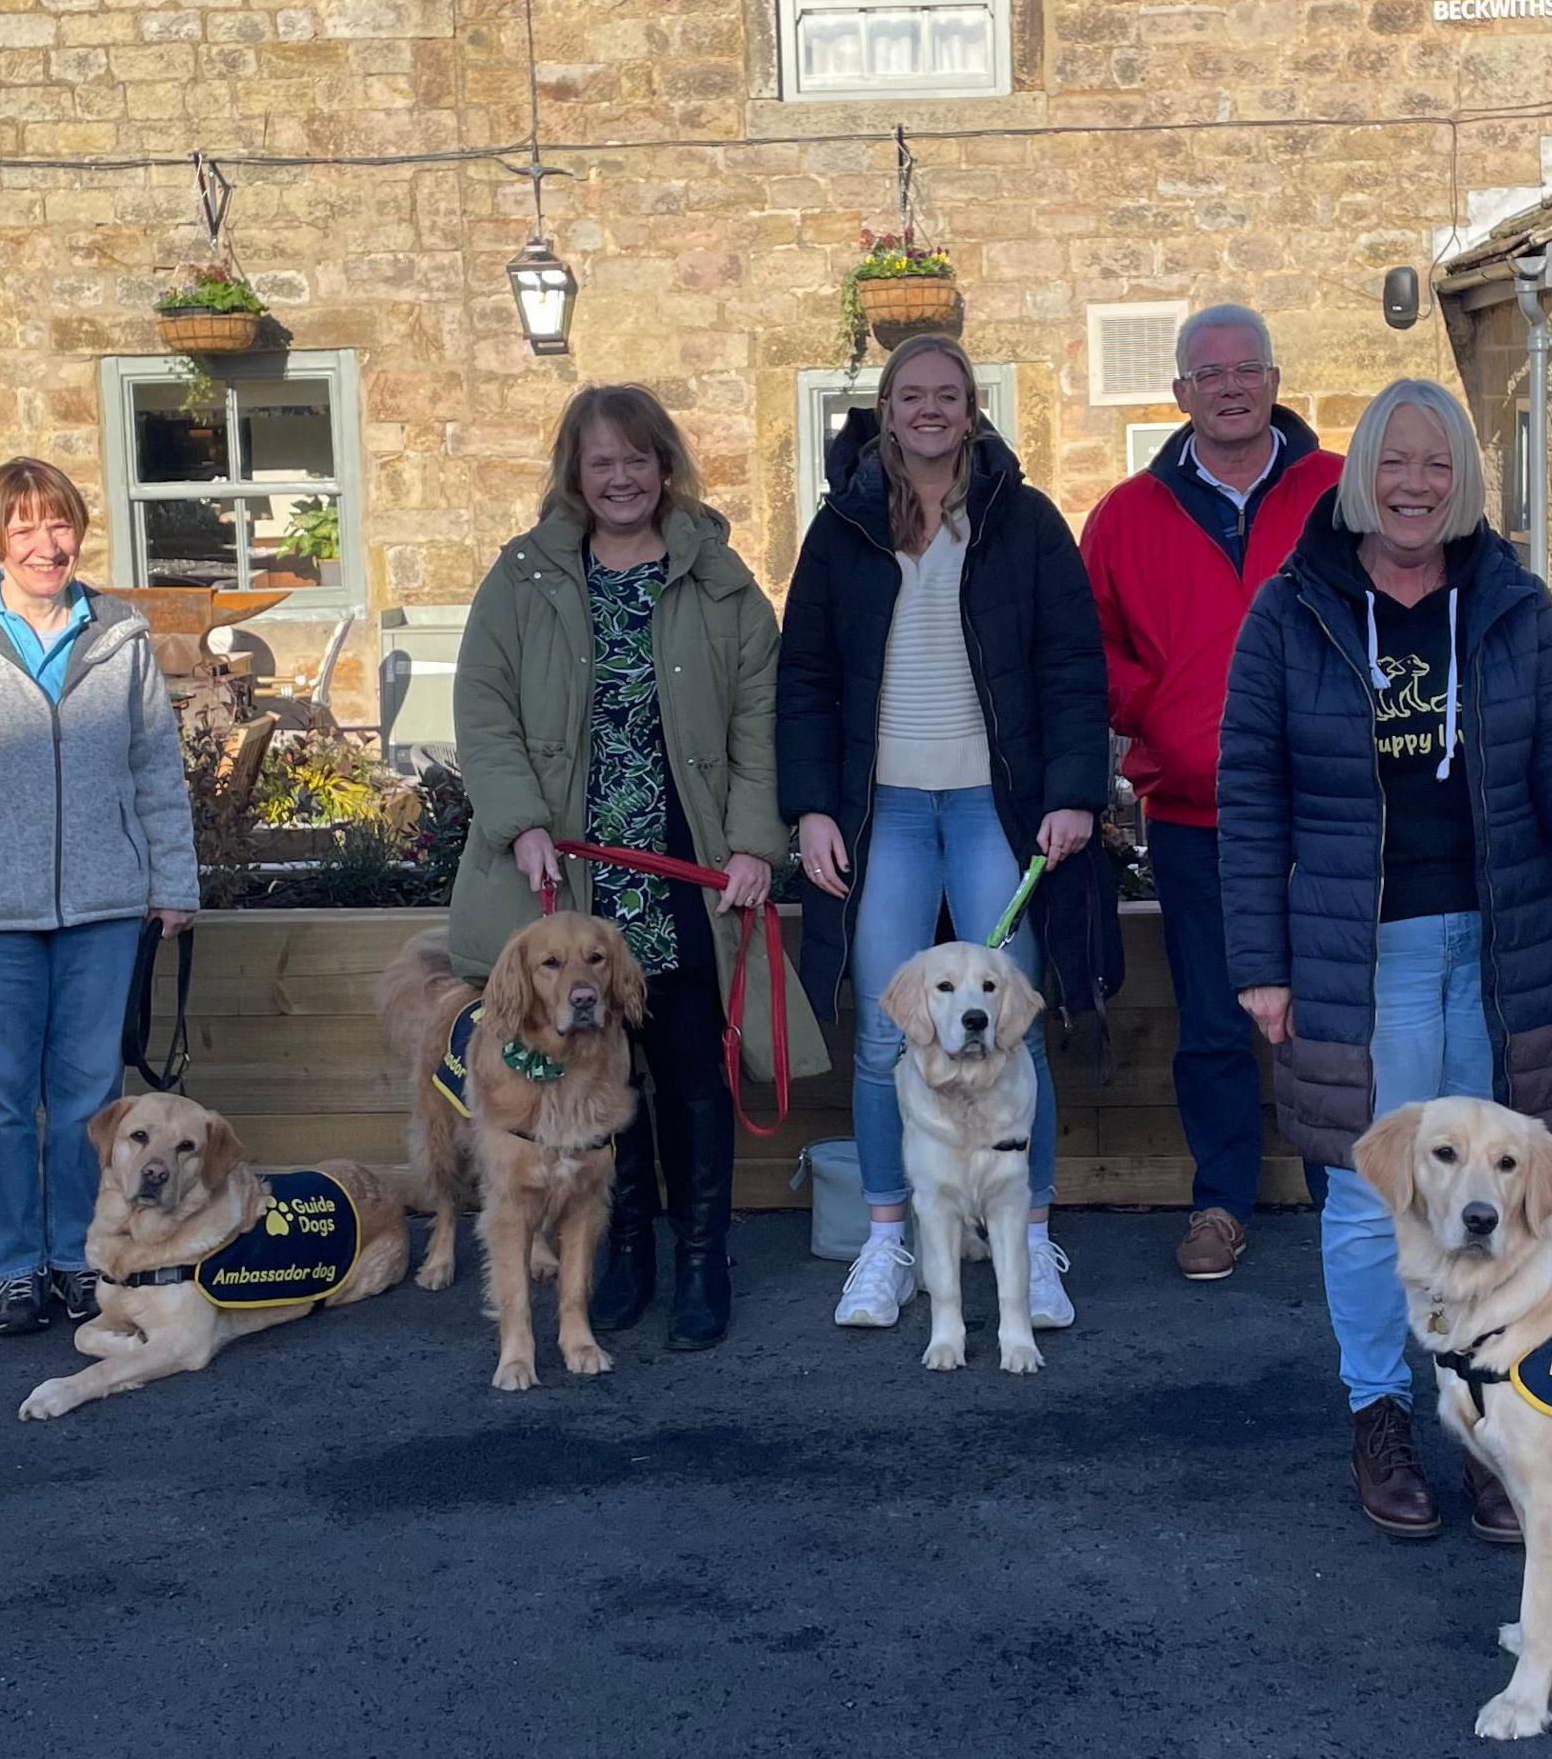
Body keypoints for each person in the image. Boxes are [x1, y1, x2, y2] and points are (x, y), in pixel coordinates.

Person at [1218, 377, 1552, 1541]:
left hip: (1503, 945)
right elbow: (1251, 797)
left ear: (1462, 481)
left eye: (1437, 466)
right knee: (1377, 1202)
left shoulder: (1511, 602)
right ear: (1362, 471)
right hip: (1355, 955)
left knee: (1496, 1200)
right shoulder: (1291, 612)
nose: (1415, 485)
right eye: (1395, 463)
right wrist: (1259, 962)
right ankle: (1379, 1412)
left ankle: (1485, 1416)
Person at [779, 333, 1118, 1336]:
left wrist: (1073, 793)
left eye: (949, 395)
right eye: (911, 395)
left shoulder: (1025, 522)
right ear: (886, 412)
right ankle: (887, 1242)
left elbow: (1072, 667)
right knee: (892, 1028)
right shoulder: (841, 529)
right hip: (883, 807)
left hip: (992, 806)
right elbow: (803, 679)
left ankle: (1030, 1237)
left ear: (971, 410)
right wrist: (809, 809)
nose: (930, 408)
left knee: (1008, 1018)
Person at [450, 385, 785, 1353]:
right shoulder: (521, 581)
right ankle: (625, 1252)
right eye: (602, 463)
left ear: (665, 466)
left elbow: (757, 726)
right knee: (598, 1079)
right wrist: (517, 822)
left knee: (689, 1069)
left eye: (638, 460)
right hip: (574, 876)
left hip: (682, 868)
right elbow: (484, 711)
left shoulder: (722, 584)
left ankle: (700, 1264)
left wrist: (753, 843)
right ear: (576, 475)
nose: (623, 478)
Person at [0, 456, 199, 1339]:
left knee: (94, 1101)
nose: (44, 544)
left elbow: (156, 771)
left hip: (102, 908)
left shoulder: (122, 634)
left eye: (57, 525)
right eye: (23, 528)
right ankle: (14, 1267)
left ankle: (79, 1259)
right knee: (3, 1099)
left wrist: (172, 882)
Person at [1080, 303, 1341, 1283]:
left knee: (1332, 1013)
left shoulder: (1338, 493)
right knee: (1215, 1016)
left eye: (1248, 371)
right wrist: (1160, 706)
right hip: (1194, 814)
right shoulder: (1125, 517)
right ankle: (1222, 1202)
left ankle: (1345, 1201)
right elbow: (1089, 651)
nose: (1230, 388)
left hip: (1331, 809)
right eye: (1209, 374)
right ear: (1180, 393)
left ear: (1272, 381)